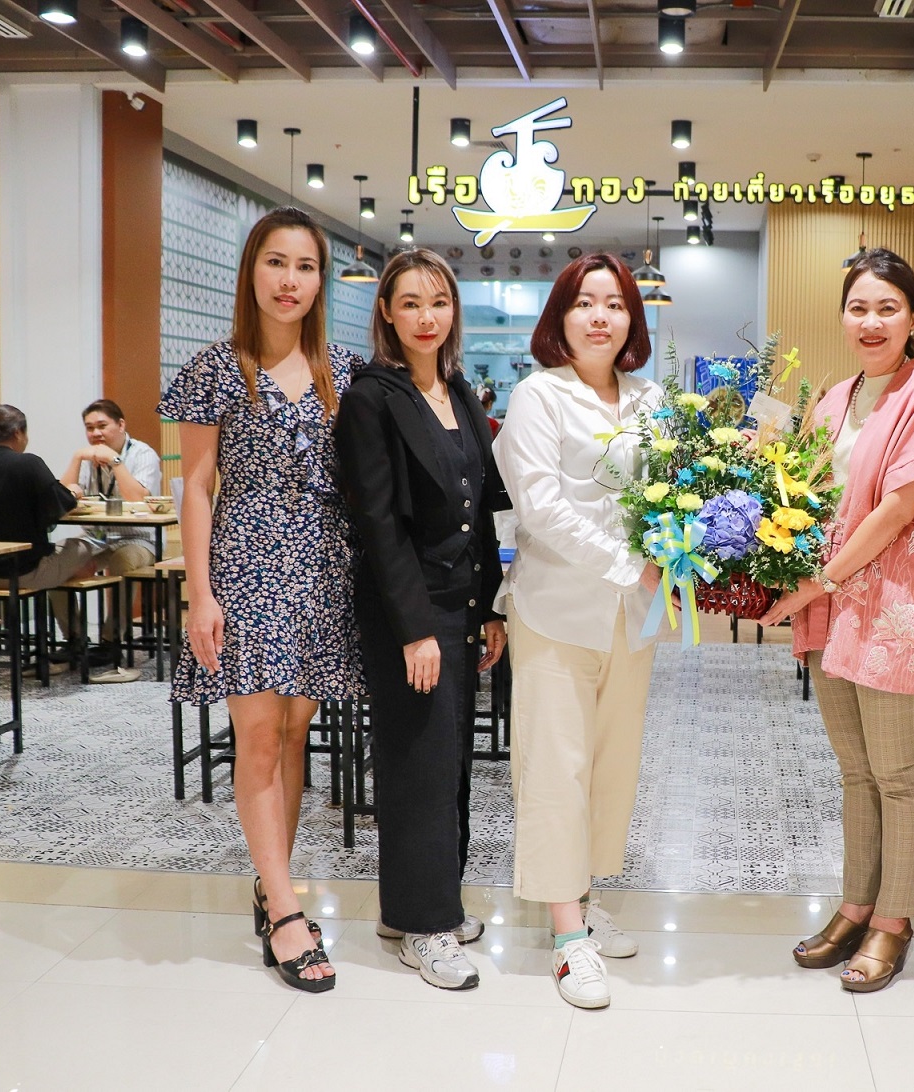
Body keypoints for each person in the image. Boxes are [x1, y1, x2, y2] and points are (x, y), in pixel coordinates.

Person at [158, 206, 365, 993]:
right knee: (256, 738)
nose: (290, 281)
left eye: (306, 267)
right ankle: (286, 911)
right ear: (252, 272)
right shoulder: (218, 365)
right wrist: (198, 592)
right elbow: (198, 488)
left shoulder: (342, 372)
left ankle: (271, 879)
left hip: (321, 568)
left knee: (291, 735)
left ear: (320, 281)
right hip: (244, 564)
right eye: (276, 263)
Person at [760, 248, 914, 994]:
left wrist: (816, 578)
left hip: (896, 612)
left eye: (886, 307)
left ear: (912, 318)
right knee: (854, 773)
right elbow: (798, 492)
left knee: (898, 774)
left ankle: (893, 920)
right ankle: (854, 905)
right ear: (842, 316)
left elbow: (898, 507)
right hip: (834, 610)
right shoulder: (832, 398)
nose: (871, 321)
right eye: (858, 307)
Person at [492, 253, 664, 1011]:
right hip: (555, 609)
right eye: (584, 302)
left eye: (615, 303)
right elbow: (538, 507)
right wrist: (629, 563)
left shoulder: (650, 399)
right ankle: (566, 938)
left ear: (632, 318)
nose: (600, 315)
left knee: (609, 764)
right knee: (555, 767)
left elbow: (671, 497)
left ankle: (585, 900)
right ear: (559, 317)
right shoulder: (539, 395)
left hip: (632, 619)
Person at [335, 247, 509, 991]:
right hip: (408, 609)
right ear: (386, 313)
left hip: (464, 603)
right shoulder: (371, 397)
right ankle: (424, 925)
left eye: (437, 301)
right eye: (409, 303)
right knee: (416, 763)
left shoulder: (459, 390)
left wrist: (492, 606)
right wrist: (413, 627)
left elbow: (482, 511)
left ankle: (424, 904)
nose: (425, 316)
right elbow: (375, 523)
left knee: (450, 764)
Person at [56, 399, 165, 658]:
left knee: (123, 562)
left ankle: (110, 641)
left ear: (121, 425)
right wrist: (76, 458)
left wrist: (116, 461)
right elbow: (61, 498)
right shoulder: (89, 457)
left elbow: (137, 499)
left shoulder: (143, 454)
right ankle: (75, 639)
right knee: (54, 561)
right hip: (98, 536)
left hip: (139, 538)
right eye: (90, 428)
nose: (96, 434)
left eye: (102, 426)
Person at [0, 405, 94, 590]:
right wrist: (73, 492)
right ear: (18, 433)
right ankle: (69, 583)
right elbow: (58, 505)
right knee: (83, 546)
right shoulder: (28, 463)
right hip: (20, 572)